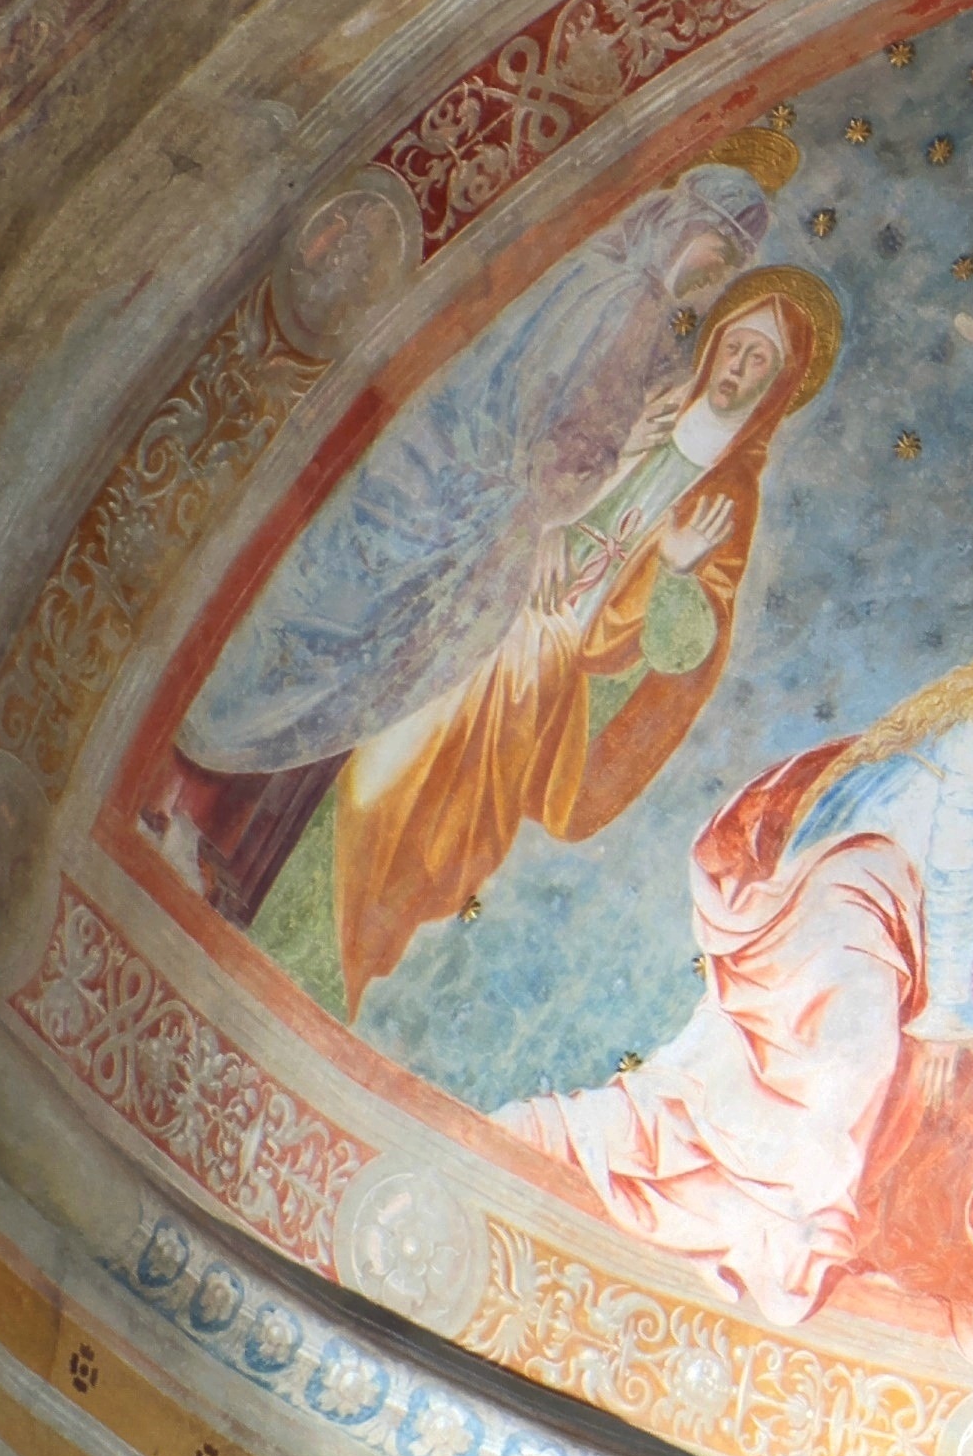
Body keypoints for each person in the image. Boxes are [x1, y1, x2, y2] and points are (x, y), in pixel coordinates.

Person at [496, 566, 973, 1378]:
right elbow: (957, 849)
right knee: (850, 1053)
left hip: (933, 949)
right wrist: (942, 1016)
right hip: (862, 879)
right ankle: (661, 1179)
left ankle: (691, 1190)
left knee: (858, 1094)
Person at [166, 161, 778, 922]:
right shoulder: (632, 303)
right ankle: (200, 814)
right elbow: (564, 455)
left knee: (341, 668)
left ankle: (196, 809)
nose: (713, 282)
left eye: (762, 360)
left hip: (436, 488)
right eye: (720, 261)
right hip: (463, 522)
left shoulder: (598, 272)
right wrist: (590, 485)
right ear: (693, 236)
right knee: (349, 672)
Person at [321, 267, 835, 1004]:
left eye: (761, 361)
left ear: (777, 385)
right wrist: (551, 519)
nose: (739, 367)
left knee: (443, 832)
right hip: (499, 594)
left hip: (555, 654)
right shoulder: (651, 409)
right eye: (735, 346)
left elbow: (687, 653)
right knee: (372, 773)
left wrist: (678, 572)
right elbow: (536, 463)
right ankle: (336, 943)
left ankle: (368, 961)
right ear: (714, 344)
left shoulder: (732, 491)